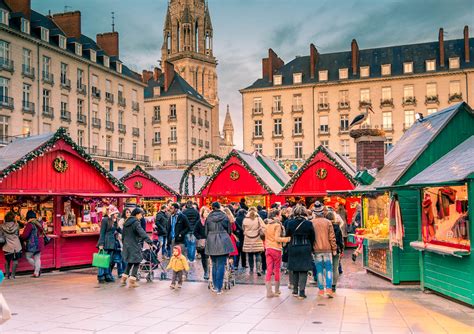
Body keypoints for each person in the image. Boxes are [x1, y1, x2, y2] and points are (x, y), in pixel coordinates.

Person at [205, 202, 234, 294]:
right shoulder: (225, 216)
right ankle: (219, 287)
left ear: (212, 208)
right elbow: (229, 230)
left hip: (211, 240)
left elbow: (206, 232)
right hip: (223, 240)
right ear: (219, 207)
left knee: (214, 264)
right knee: (221, 264)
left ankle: (215, 286)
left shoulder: (208, 218)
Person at [286, 205, 315, 300]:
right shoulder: (308, 223)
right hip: (305, 246)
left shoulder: (290, 223)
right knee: (303, 270)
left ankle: (295, 290)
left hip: (293, 246)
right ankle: (302, 292)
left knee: (294, 269)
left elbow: (287, 235)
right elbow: (312, 236)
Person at [121, 208, 153, 288]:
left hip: (127, 244)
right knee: (137, 261)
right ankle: (132, 281)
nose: (142, 217)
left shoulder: (126, 222)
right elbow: (142, 232)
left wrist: (124, 243)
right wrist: (149, 241)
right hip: (134, 244)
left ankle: (123, 279)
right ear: (137, 214)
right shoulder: (136, 223)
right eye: (141, 215)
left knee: (130, 262)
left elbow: (123, 235)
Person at [312, 202, 337, 298]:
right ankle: (329, 290)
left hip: (316, 249)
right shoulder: (328, 222)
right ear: (323, 212)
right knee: (329, 269)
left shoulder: (312, 222)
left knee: (319, 270)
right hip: (327, 249)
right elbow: (332, 237)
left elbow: (311, 237)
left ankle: (321, 290)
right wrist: (334, 248)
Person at [264, 209, 290, 298]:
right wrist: (288, 239)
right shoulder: (277, 225)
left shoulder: (267, 225)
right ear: (276, 216)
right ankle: (277, 290)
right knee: (277, 270)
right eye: (279, 215)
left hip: (268, 248)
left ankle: (269, 292)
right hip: (276, 249)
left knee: (269, 269)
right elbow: (277, 238)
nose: (280, 217)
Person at [97, 205, 121, 283]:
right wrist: (101, 243)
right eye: (116, 213)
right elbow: (102, 232)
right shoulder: (105, 220)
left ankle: (107, 274)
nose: (117, 215)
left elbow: (120, 230)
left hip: (112, 242)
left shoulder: (115, 221)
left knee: (109, 260)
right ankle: (101, 276)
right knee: (103, 260)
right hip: (105, 241)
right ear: (112, 213)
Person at [20, 210, 44, 278]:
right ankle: (36, 272)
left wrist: (20, 236)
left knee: (28, 257)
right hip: (39, 243)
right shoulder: (39, 223)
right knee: (37, 258)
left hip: (32, 243)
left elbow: (25, 235)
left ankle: (38, 269)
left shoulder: (30, 224)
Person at [242, 207, 265, 276]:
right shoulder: (258, 218)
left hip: (248, 239)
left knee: (250, 254)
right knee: (258, 254)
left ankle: (251, 269)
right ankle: (258, 269)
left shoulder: (245, 219)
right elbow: (263, 227)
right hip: (257, 238)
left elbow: (243, 228)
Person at [0, 211, 22, 279]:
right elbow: (18, 234)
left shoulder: (1, 226)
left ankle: (7, 275)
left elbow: (1, 236)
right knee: (15, 260)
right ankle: (13, 275)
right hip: (16, 246)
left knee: (7, 260)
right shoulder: (17, 225)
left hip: (7, 246)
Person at [327, 211, 344, 293]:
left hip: (326, 249)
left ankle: (328, 285)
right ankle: (333, 285)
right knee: (335, 267)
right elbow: (340, 240)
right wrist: (341, 249)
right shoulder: (337, 227)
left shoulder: (325, 226)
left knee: (327, 268)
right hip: (336, 249)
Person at [194, 206, 210, 280]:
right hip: (203, 243)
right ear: (202, 213)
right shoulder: (199, 222)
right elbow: (195, 232)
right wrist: (200, 237)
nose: (207, 213)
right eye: (206, 212)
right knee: (204, 258)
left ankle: (210, 271)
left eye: (208, 212)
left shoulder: (210, 221)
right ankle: (206, 271)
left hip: (210, 241)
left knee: (209, 257)